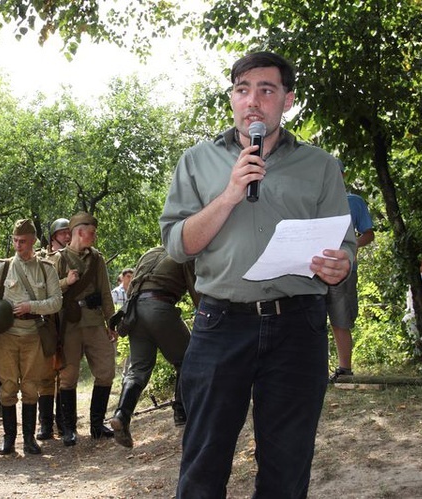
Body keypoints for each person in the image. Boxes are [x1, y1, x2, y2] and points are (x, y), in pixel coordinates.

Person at [159, 51, 356, 497]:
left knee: (288, 464)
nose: (253, 101)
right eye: (242, 90)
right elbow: (178, 244)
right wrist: (229, 194)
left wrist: (340, 264)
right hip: (220, 324)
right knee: (204, 461)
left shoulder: (321, 165)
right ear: (232, 98)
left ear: (287, 100)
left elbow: (342, 246)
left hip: (298, 324)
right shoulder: (197, 161)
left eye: (266, 90)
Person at [0, 219, 63, 455]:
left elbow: (56, 302)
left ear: (33, 240)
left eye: (22, 241)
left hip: (34, 335)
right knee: (8, 386)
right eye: (14, 240)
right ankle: (9, 439)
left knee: (31, 387)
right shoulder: (3, 268)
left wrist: (30, 307)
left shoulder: (46, 268)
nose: (17, 245)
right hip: (7, 336)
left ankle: (29, 439)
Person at [109, 246, 198, 448]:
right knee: (187, 359)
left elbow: (131, 288)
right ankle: (181, 412)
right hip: (160, 307)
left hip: (135, 313)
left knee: (137, 370)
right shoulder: (184, 252)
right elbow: (195, 290)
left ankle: (121, 415)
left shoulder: (148, 253)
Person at [51, 212, 117, 446]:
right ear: (80, 231)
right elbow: (48, 293)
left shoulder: (97, 259)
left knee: (106, 370)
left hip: (94, 322)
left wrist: (112, 322)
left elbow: (106, 292)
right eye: (92, 232)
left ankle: (97, 426)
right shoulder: (59, 259)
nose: (95, 237)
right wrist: (65, 282)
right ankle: (69, 429)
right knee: (68, 376)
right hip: (69, 324)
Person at [327, 159, 375, 381]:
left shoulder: (354, 202)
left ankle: (344, 369)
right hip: (311, 268)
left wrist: (348, 246)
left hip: (343, 270)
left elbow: (368, 233)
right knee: (310, 319)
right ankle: (313, 369)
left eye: (336, 172)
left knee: (341, 318)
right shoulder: (311, 200)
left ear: (343, 176)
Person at [36, 217, 70, 440]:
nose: (67, 236)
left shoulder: (72, 257)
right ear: (53, 236)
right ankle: (45, 424)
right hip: (47, 321)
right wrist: (67, 282)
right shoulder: (40, 258)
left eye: (69, 232)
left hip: (67, 321)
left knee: (65, 373)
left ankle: (64, 422)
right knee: (46, 373)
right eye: (63, 232)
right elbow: (47, 289)